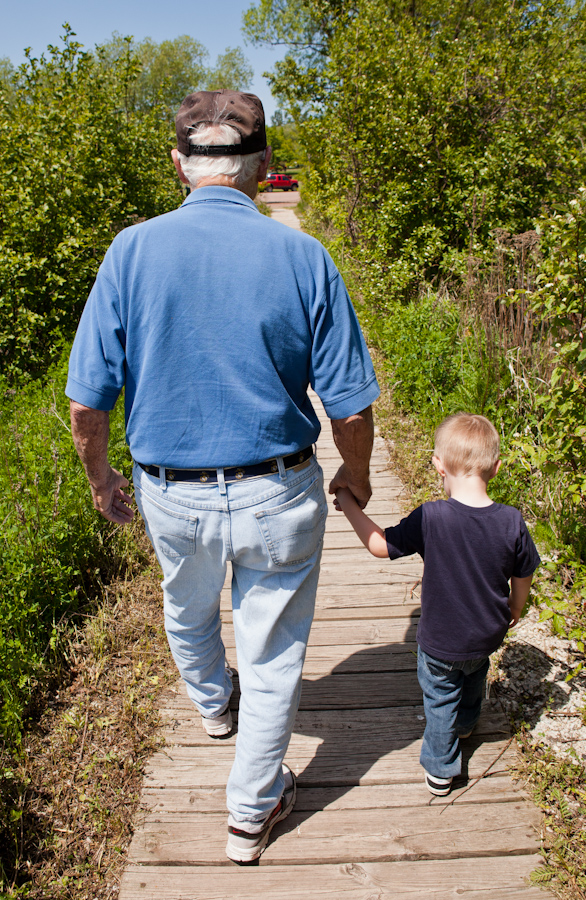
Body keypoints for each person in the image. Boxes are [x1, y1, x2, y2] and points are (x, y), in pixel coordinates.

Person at [66, 90, 379, 862]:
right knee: (272, 653)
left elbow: (86, 401)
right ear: (263, 165)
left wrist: (102, 476)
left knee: (186, 604)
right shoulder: (303, 256)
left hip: (170, 490)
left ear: (178, 165)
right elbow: (350, 407)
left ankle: (212, 707)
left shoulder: (130, 251)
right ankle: (251, 810)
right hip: (280, 490)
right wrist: (358, 479)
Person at [334, 412, 540, 796]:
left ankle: (442, 768)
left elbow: (380, 545)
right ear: (496, 467)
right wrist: (515, 608)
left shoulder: (432, 517)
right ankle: (468, 722)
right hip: (487, 635)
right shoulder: (512, 522)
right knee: (475, 674)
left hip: (440, 641)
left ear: (438, 465)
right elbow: (524, 573)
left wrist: (348, 502)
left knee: (440, 695)